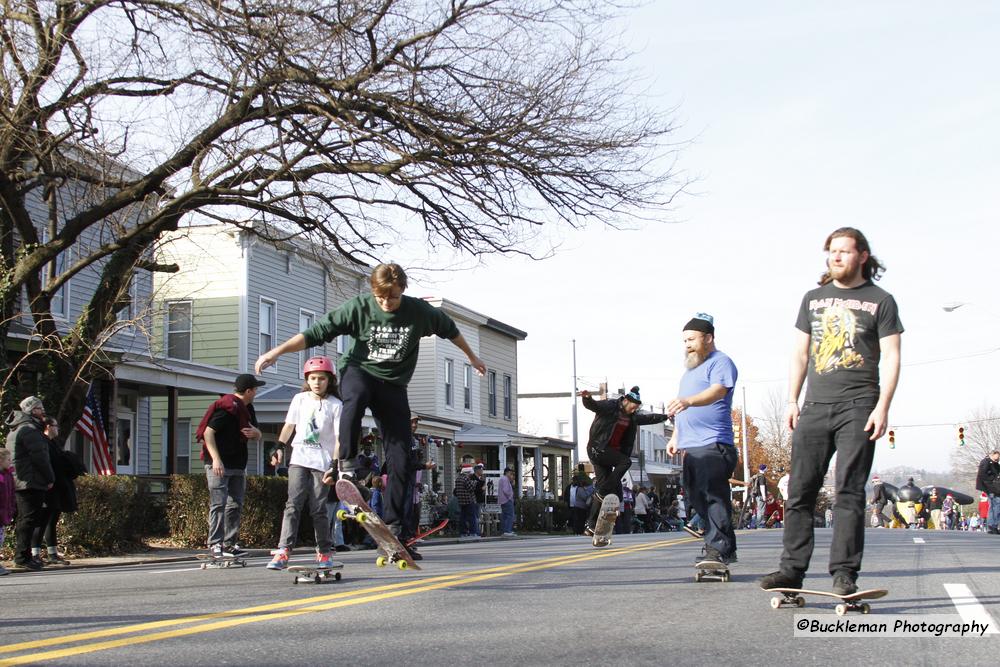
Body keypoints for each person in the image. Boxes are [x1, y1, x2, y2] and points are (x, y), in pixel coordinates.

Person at [255, 263, 485, 555]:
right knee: (355, 399)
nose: (386, 303)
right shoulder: (359, 307)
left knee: (401, 458)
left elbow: (451, 331)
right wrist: (276, 352)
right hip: (359, 371)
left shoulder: (419, 312)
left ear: (403, 290)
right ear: (373, 293)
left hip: (393, 386)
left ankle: (394, 533)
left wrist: (473, 358)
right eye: (380, 298)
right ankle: (348, 469)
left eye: (392, 297)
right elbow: (316, 332)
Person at [760, 227, 903, 596]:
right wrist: (792, 400)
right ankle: (791, 570)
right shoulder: (813, 299)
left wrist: (883, 407)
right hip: (814, 406)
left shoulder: (881, 300)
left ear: (862, 256)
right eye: (831, 252)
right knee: (800, 492)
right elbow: (800, 354)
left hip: (859, 406)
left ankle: (844, 574)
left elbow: (891, 357)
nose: (836, 257)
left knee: (849, 493)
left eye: (843, 251)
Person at [666, 313, 740, 565]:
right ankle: (724, 547)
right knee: (695, 497)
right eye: (684, 340)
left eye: (692, 339)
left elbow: (718, 391)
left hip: (714, 443)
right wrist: (676, 435)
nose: (687, 345)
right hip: (692, 445)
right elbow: (682, 409)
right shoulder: (689, 372)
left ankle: (717, 549)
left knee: (713, 496)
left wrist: (688, 401)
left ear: (708, 338)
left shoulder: (720, 362)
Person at [266, 357, 342, 571]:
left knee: (318, 509)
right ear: (307, 379)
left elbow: (339, 439)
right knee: (293, 504)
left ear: (330, 381)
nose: (317, 382)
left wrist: (335, 466)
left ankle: (324, 551)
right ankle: (283, 551)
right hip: (299, 458)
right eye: (312, 378)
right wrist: (279, 446)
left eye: (321, 378)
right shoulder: (299, 399)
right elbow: (290, 426)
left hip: (322, 463)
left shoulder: (336, 405)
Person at [579, 386, 670, 536]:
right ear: (626, 401)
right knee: (625, 462)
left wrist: (665, 416)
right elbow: (594, 406)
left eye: (637, 408)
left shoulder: (632, 416)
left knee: (614, 494)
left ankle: (590, 525)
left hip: (610, 454)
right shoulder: (610, 406)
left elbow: (648, 418)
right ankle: (603, 491)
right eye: (633, 407)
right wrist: (587, 398)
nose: (634, 410)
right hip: (598, 448)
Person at [196, 374, 265, 559]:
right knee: (218, 504)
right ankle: (215, 544)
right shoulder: (228, 408)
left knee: (235, 504)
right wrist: (216, 459)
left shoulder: (248, 408)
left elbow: (257, 433)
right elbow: (208, 433)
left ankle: (229, 543)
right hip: (218, 464)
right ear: (249, 391)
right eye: (255, 389)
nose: (256, 392)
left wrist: (256, 432)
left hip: (238, 463)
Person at [6, 396, 54, 570]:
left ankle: (24, 556)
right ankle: (22, 558)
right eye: (40, 408)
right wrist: (50, 478)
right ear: (32, 411)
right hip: (30, 481)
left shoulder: (18, 428)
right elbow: (40, 457)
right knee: (29, 520)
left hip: (23, 480)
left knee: (26, 519)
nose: (43, 411)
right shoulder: (29, 430)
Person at [32, 418, 85, 565]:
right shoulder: (43, 443)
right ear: (48, 427)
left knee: (51, 521)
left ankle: (52, 553)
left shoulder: (53, 443)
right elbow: (46, 464)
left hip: (58, 487)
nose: (58, 429)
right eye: (55, 426)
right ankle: (34, 553)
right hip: (48, 487)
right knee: (42, 521)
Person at [975, 450, 1000, 534]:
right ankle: (993, 525)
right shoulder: (986, 462)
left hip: (993, 488)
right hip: (990, 488)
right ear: (992, 455)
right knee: (996, 506)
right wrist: (992, 479)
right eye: (996, 458)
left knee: (993, 507)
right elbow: (982, 475)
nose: (998, 459)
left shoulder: (994, 463)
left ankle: (992, 526)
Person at [0, 448, 15, 575]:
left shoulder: (8, 475)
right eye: (8, 460)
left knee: (1, 539)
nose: (11, 462)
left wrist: (12, 508)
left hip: (5, 512)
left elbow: (11, 495)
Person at [454, 462, 478, 540]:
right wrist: (474, 482)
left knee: (463, 517)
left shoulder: (458, 479)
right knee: (472, 517)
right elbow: (470, 488)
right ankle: (473, 532)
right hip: (469, 501)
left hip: (461, 501)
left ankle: (463, 532)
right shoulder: (466, 478)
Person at [499, 466, 516, 536]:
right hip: (507, 500)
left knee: (504, 516)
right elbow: (506, 490)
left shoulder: (502, 479)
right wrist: (510, 497)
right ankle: (507, 530)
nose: (511, 475)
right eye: (510, 473)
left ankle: (504, 530)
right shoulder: (505, 479)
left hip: (502, 500)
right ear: (507, 473)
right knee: (510, 515)